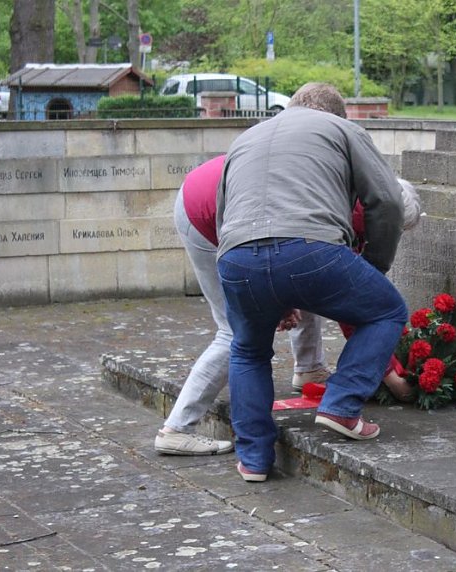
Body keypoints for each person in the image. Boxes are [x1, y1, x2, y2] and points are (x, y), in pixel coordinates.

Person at [216, 82, 408, 482]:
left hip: (236, 258)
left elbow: (224, 214)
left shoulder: (245, 138)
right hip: (311, 249)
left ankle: (253, 459)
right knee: (387, 310)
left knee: (248, 350)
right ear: (337, 114)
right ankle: (341, 404)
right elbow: (387, 200)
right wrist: (374, 266)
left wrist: (271, 288)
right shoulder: (343, 129)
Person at [154, 155, 328, 456]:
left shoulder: (317, 173)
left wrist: (283, 302)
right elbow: (265, 249)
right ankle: (176, 428)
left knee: (307, 271)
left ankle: (309, 368)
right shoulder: (332, 195)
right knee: (234, 330)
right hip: (208, 214)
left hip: (206, 195)